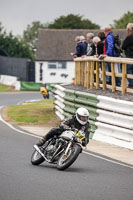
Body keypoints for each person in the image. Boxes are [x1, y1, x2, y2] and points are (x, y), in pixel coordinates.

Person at [122, 23, 133, 88]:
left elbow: (123, 46)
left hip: (130, 56)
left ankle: (132, 84)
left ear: (129, 29)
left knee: (129, 70)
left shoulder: (129, 37)